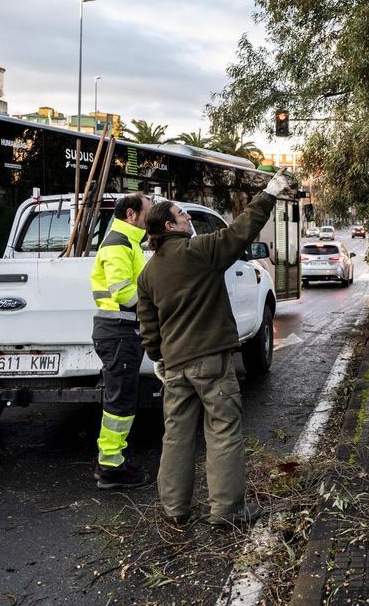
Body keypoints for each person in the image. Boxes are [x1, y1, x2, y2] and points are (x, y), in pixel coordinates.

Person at [137, 169, 291, 526]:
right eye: (181, 214)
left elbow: (149, 324)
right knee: (222, 430)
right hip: (210, 361)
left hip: (175, 366)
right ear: (169, 227)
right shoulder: (199, 251)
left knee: (176, 435)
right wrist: (268, 193)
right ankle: (226, 510)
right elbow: (241, 231)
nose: (188, 216)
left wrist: (158, 357)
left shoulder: (148, 273)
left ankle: (175, 509)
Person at [90, 192, 154, 489]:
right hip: (119, 331)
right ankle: (111, 468)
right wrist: (155, 306)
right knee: (120, 401)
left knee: (121, 398)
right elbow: (123, 292)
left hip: (120, 331)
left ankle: (112, 461)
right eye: (148, 211)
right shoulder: (119, 243)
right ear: (131, 214)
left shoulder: (128, 242)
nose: (150, 217)